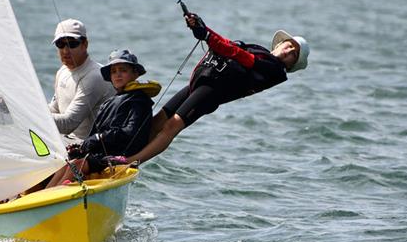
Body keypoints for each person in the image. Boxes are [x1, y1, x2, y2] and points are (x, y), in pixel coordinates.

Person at [125, 12, 309, 165]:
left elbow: (240, 56)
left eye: (293, 54)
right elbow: (227, 43)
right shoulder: (259, 49)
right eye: (289, 46)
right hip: (201, 81)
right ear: (280, 44)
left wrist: (207, 35)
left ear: (292, 64)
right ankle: (123, 153)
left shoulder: (275, 70)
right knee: (157, 120)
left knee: (171, 125)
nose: (288, 52)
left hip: (211, 93)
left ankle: (130, 162)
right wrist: (199, 26)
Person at [46, 49, 160, 187]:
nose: (117, 74)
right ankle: (41, 196)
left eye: (123, 70)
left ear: (135, 74)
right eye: (113, 71)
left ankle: (52, 197)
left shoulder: (139, 100)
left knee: (76, 165)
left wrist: (100, 138)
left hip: (118, 156)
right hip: (101, 154)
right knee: (66, 162)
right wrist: (82, 147)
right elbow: (95, 134)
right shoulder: (110, 102)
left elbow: (131, 132)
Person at [48, 18, 114, 143]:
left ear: (85, 45)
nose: (65, 51)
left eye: (72, 44)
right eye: (60, 44)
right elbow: (54, 109)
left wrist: (30, 116)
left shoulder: (94, 76)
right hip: (65, 140)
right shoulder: (62, 71)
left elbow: (69, 124)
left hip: (89, 147)